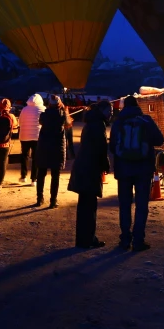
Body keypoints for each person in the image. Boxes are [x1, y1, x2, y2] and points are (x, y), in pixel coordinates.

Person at [110, 95, 164, 252]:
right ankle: (138, 240)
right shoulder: (146, 120)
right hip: (143, 170)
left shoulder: (118, 123)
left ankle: (125, 240)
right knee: (141, 205)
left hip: (123, 171)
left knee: (125, 205)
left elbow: (113, 146)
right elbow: (160, 140)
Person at [68, 101, 111, 248]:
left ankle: (82, 238)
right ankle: (88, 239)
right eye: (109, 110)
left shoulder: (90, 122)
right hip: (90, 168)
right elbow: (101, 147)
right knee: (89, 206)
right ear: (103, 111)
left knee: (84, 206)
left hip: (83, 166)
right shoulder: (98, 124)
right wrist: (105, 165)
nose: (111, 113)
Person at [34, 97, 71, 208]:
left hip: (44, 146)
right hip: (57, 147)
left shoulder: (44, 115)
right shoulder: (62, 115)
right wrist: (65, 110)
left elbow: (40, 122)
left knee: (41, 174)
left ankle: (39, 198)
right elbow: (68, 123)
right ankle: (53, 200)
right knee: (55, 175)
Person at [17, 94, 43, 184]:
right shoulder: (42, 109)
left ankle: (23, 176)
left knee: (24, 156)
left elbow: (20, 122)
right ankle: (34, 179)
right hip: (37, 136)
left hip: (24, 136)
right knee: (36, 157)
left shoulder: (24, 109)